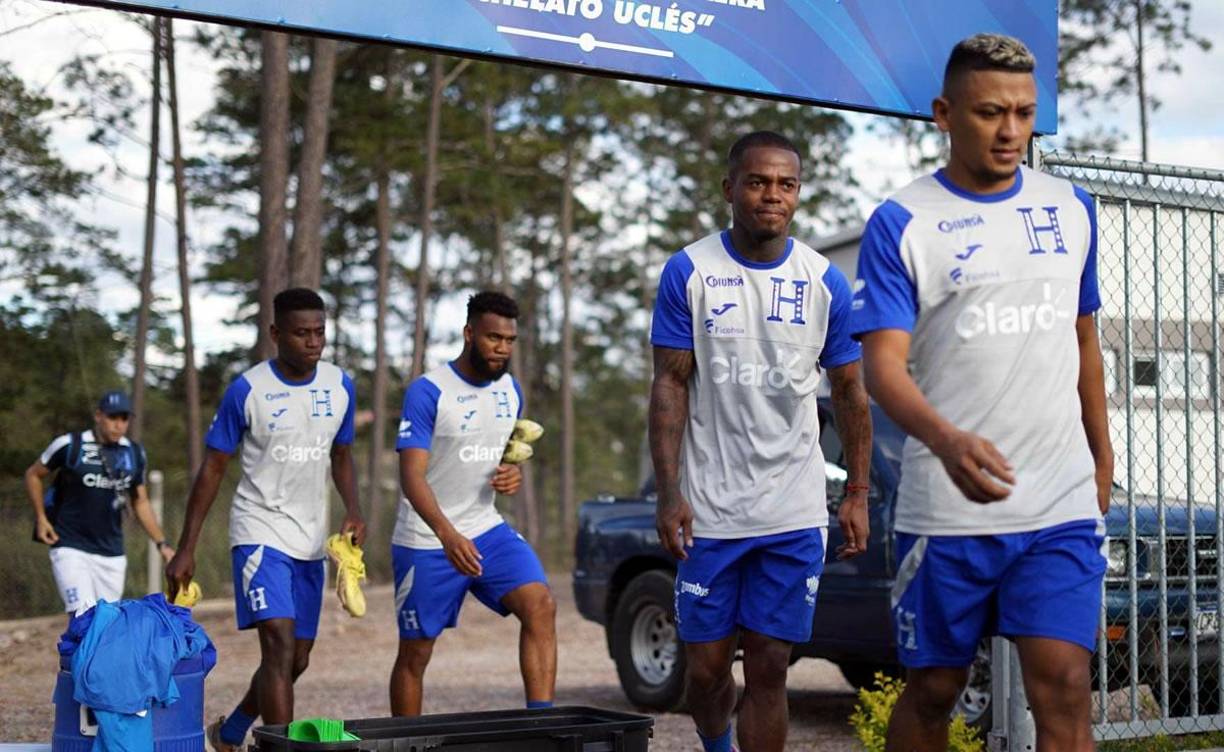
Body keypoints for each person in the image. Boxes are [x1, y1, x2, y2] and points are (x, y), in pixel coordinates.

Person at [849, 34, 1111, 752]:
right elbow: (883, 368)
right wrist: (946, 439)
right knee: (934, 691)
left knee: (1063, 684)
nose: (1010, 131)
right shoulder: (902, 222)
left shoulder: (1073, 208)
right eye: (991, 112)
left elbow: (1083, 341)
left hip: (1057, 503)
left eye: (1024, 113)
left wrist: (1102, 462)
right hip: (950, 512)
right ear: (944, 112)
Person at [649, 130, 872, 752]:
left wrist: (857, 492)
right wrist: (669, 493)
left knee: (771, 666)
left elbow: (852, 393)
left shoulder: (824, 280)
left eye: (785, 184)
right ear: (730, 189)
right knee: (706, 671)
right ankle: (716, 743)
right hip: (711, 512)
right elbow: (669, 386)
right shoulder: (689, 271)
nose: (772, 195)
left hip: (793, 510)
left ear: (798, 193)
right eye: (757, 182)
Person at [165, 288, 365, 752]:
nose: (313, 342)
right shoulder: (248, 390)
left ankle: (232, 730)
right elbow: (213, 467)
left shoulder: (340, 386)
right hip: (259, 532)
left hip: (311, 540)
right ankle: (282, 748)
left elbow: (343, 454)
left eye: (319, 332)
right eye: (301, 333)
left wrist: (353, 509)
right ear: (276, 334)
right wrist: (186, 546)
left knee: (297, 658)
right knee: (276, 641)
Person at [389, 291, 555, 716]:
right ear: (469, 334)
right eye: (493, 338)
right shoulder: (429, 392)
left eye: (509, 340)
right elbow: (411, 475)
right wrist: (447, 535)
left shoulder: (510, 391)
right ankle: (408, 747)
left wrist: (510, 473)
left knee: (540, 605)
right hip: (428, 539)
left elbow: (498, 455)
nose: (502, 348)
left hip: (485, 527)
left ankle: (542, 729)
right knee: (416, 654)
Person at [26, 390, 174, 615]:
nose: (118, 425)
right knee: (82, 617)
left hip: (111, 552)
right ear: (98, 416)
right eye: (112, 417)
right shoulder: (70, 445)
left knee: (107, 623)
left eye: (124, 418)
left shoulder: (133, 452)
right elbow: (33, 474)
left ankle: (84, 651)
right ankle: (74, 651)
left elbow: (140, 502)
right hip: (70, 545)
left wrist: (162, 544)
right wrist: (41, 518)